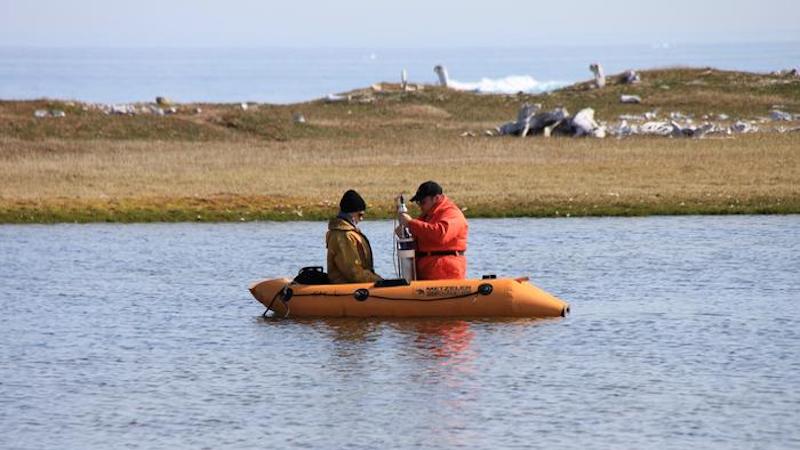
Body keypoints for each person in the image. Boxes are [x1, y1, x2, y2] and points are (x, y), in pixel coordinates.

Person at [398, 181, 468, 280]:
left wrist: (410, 224)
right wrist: (404, 234)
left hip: (445, 273)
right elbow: (421, 234)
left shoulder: (452, 213)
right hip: (426, 272)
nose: (420, 206)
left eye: (423, 202)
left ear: (436, 198)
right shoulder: (427, 216)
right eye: (418, 202)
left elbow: (440, 234)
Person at [326, 190, 382, 284]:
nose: (361, 219)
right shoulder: (343, 236)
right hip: (346, 289)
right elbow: (353, 272)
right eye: (360, 215)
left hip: (357, 286)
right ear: (350, 213)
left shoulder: (348, 233)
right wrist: (379, 281)